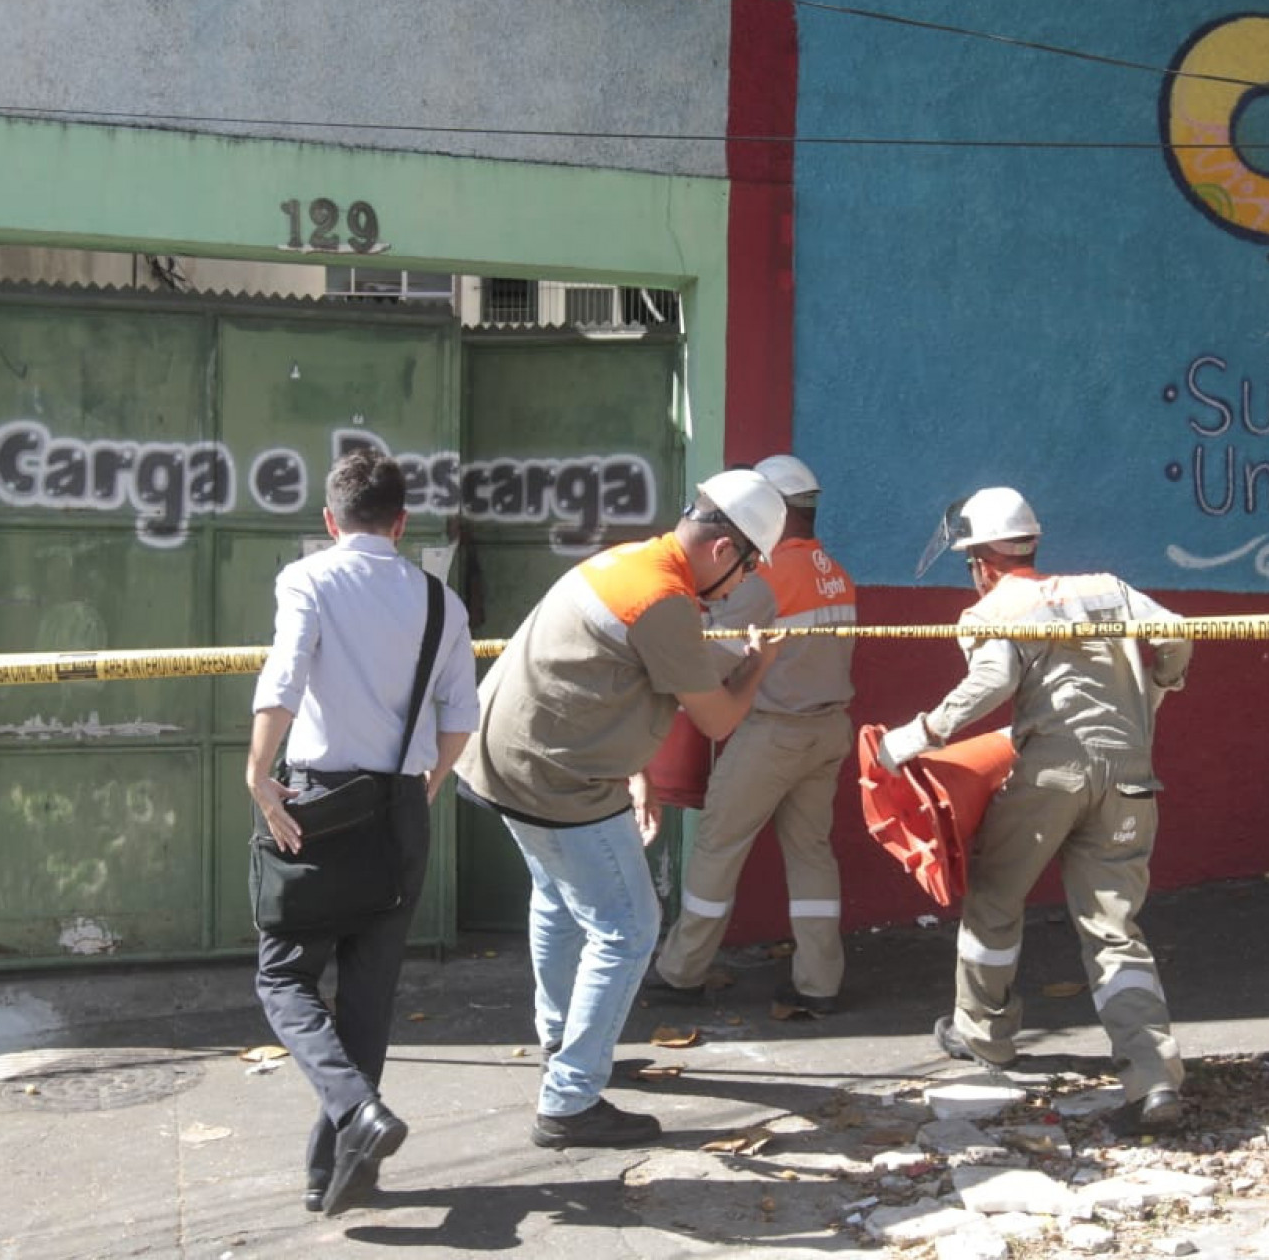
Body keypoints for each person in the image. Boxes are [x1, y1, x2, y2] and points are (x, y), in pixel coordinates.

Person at [454, 469, 788, 1149]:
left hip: (501, 762)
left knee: (556, 900)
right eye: (748, 569)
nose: (740, 585)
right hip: (556, 779)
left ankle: (563, 1045)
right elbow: (720, 718)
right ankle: (570, 1099)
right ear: (728, 553)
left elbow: (609, 678)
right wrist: (759, 663)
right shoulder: (663, 600)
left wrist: (639, 770)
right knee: (630, 927)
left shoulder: (629, 562)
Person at [879, 486, 1193, 1133]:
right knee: (1115, 931)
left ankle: (984, 1035)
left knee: (993, 895)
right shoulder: (1107, 588)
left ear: (980, 561)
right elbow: (1178, 634)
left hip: (1049, 775)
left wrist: (911, 739)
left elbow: (991, 682)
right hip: (1130, 776)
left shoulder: (997, 606)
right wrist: (1156, 690)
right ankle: (1154, 1078)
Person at [247, 447, 479, 1216]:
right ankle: (339, 1169)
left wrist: (257, 774)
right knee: (369, 997)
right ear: (402, 522)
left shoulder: (307, 579)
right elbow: (459, 717)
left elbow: (283, 678)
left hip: (320, 803)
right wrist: (429, 785)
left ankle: (355, 1114)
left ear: (329, 520)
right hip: (401, 807)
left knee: (283, 976)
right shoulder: (443, 604)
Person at [650, 454, 857, 1014]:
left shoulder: (764, 579)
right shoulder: (836, 571)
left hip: (774, 734)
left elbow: (710, 663)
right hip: (828, 731)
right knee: (812, 854)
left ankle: (681, 971)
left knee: (718, 847)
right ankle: (820, 982)